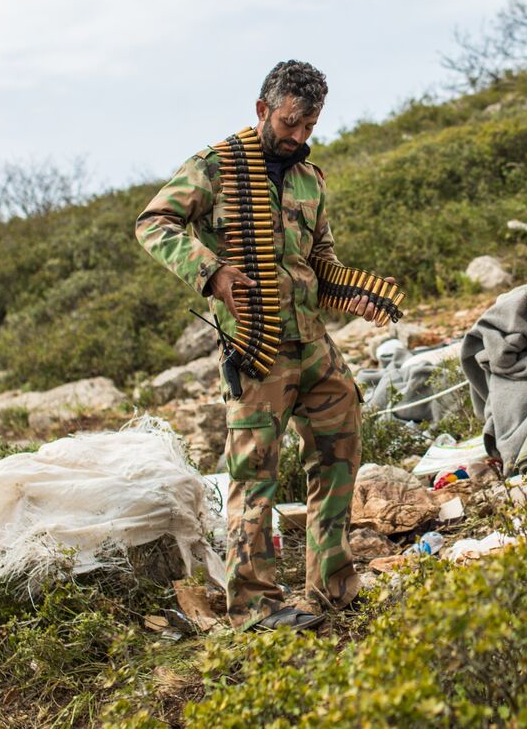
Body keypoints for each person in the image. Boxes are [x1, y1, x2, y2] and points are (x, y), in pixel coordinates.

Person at [135, 59, 386, 630]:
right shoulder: (217, 168)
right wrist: (212, 273)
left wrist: (353, 295)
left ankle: (333, 585)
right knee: (255, 477)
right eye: (291, 123)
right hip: (258, 350)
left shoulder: (310, 179)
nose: (299, 137)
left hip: (314, 345)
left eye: (309, 127)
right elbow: (153, 223)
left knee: (339, 456)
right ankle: (255, 604)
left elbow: (321, 262)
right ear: (262, 110)